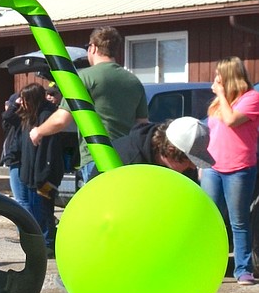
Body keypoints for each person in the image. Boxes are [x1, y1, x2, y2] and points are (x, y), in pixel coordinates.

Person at [30, 27, 147, 182]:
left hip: (96, 157)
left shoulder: (83, 77)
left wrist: (38, 131)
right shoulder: (134, 81)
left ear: (93, 48)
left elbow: (61, 119)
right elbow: (142, 125)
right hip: (126, 157)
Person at [203, 56, 259, 285]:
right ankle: (207, 266)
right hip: (212, 167)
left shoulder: (251, 98)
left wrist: (221, 95)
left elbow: (231, 120)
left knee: (238, 220)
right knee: (207, 218)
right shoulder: (219, 102)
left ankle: (243, 270)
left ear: (229, 76)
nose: (215, 79)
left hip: (238, 168)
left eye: (219, 75)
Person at [16, 83, 64, 251]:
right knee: (36, 212)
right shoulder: (30, 117)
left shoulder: (46, 116)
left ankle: (48, 244)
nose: (21, 102)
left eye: (24, 99)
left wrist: (42, 177)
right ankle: (42, 243)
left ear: (33, 99)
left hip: (44, 176)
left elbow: (49, 151)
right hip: (30, 174)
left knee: (43, 210)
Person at [112, 116, 214, 178]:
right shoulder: (126, 161)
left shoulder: (186, 171)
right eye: (190, 161)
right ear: (170, 151)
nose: (193, 167)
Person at [0, 91, 30, 214]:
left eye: (9, 104)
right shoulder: (11, 123)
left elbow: (8, 115)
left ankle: (27, 230)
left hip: (19, 160)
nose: (7, 107)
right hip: (14, 160)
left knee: (21, 200)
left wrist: (15, 105)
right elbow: (6, 118)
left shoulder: (21, 118)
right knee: (22, 199)